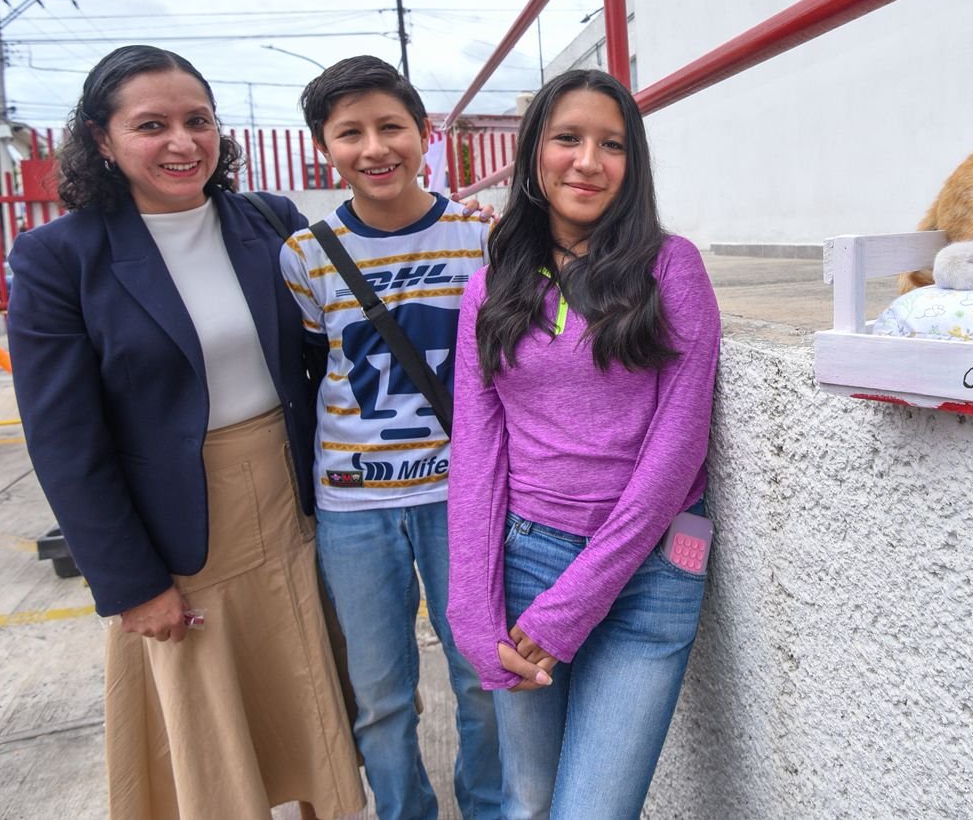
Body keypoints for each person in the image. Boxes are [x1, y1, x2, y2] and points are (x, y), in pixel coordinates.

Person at [7, 45, 363, 820]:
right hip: (182, 533)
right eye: (151, 125)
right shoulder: (59, 259)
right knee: (212, 745)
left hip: (298, 505)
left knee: (317, 702)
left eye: (198, 120)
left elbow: (348, 324)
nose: (182, 142)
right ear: (101, 139)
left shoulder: (268, 222)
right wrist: (131, 584)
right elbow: (64, 440)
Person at [446, 68, 721, 819]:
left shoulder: (671, 268)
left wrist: (576, 604)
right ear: (535, 151)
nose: (588, 162)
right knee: (529, 802)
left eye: (613, 145)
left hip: (653, 570)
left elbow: (678, 452)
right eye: (567, 138)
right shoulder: (490, 289)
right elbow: (477, 455)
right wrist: (471, 611)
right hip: (527, 564)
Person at [279, 55, 502, 820]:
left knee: (481, 679)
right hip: (353, 507)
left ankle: (489, 807)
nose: (374, 149)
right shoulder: (305, 255)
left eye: (391, 127)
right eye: (350, 134)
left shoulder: (480, 238)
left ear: (425, 133)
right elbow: (314, 368)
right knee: (379, 696)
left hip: (461, 498)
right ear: (323, 147)